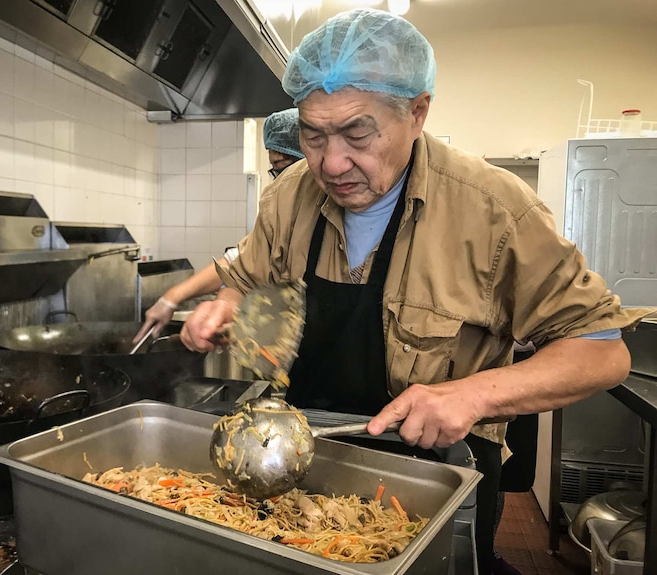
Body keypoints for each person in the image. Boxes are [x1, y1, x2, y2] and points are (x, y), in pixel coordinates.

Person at [178, 9, 654, 575]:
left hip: (432, 478)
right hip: (302, 465)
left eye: (358, 133)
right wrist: (224, 308)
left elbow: (603, 351)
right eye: (313, 134)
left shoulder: (494, 211)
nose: (332, 163)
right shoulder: (289, 197)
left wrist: (471, 396)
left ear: (417, 113)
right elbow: (247, 279)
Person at [133, 108, 305, 343]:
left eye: (283, 167)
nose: (280, 179)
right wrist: (171, 298)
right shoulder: (280, 211)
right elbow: (240, 263)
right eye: (276, 170)